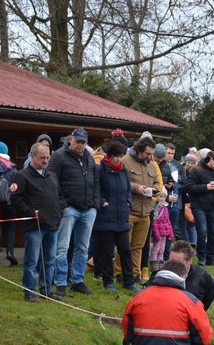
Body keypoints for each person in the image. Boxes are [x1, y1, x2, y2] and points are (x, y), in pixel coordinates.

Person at [48, 127, 99, 298]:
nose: (80, 145)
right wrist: (63, 204)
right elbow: (52, 182)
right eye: (78, 141)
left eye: (83, 142)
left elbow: (95, 182)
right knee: (62, 248)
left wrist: (95, 204)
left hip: (88, 209)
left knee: (82, 248)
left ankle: (78, 280)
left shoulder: (89, 158)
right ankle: (61, 282)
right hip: (69, 209)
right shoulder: (58, 156)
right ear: (71, 139)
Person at [11, 141, 64, 301]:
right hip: (35, 225)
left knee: (49, 261)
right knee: (31, 261)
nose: (45, 161)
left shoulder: (52, 175)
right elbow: (15, 199)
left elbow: (60, 196)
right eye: (42, 158)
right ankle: (29, 292)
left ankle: (46, 290)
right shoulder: (21, 176)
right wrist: (31, 212)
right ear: (32, 157)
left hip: (53, 224)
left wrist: (60, 208)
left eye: (47, 157)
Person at [93, 140, 137, 292]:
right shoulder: (100, 170)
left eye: (121, 156)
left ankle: (129, 281)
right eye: (115, 156)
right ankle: (108, 281)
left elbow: (128, 190)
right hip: (106, 218)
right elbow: (95, 190)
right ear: (109, 155)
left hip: (122, 217)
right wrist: (101, 202)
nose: (118, 159)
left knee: (125, 250)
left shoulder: (123, 170)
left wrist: (128, 202)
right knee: (107, 252)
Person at [123, 136, 161, 281]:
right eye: (147, 154)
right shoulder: (126, 160)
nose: (150, 157)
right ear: (139, 150)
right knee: (125, 245)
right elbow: (123, 181)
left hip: (146, 212)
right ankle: (121, 273)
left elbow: (158, 182)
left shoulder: (151, 164)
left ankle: (135, 274)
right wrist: (136, 187)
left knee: (138, 246)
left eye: (152, 154)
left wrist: (155, 189)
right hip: (130, 210)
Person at [184, 151, 214, 266]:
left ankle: (210, 258)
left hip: (213, 206)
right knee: (202, 231)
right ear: (210, 159)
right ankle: (201, 257)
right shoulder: (197, 170)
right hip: (198, 206)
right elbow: (188, 187)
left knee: (213, 233)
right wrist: (205, 187)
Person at [0, 137, 19, 267]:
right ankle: (10, 252)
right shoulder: (12, 167)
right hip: (8, 202)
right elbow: (16, 185)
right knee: (10, 227)